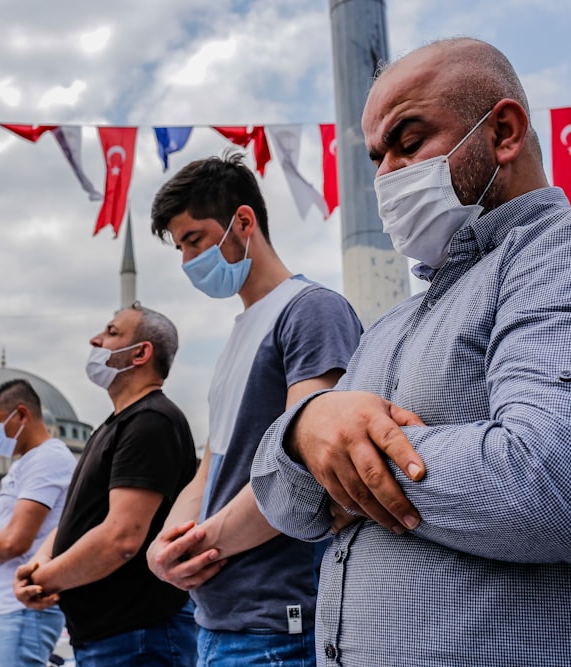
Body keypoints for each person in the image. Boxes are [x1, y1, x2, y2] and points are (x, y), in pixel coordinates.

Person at [250, 37, 571, 666]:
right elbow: (280, 495)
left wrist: (345, 452)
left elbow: (554, 485)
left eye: (409, 143)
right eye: (376, 157)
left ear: (504, 133)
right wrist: (309, 427)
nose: (384, 178)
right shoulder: (393, 324)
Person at [145, 153, 363, 665]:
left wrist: (201, 547)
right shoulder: (240, 334)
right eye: (180, 248)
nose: (187, 262)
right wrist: (163, 548)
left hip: (279, 626)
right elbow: (208, 471)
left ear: (243, 222)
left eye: (194, 240)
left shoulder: (309, 310)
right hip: (218, 620)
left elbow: (308, 466)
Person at [14, 303, 198, 666]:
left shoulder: (150, 422)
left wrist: (45, 580)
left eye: (112, 333)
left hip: (138, 635)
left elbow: (121, 538)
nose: (95, 339)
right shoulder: (117, 425)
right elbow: (78, 518)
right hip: (110, 636)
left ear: (141, 352)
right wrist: (38, 567)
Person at [0, 379, 75, 667]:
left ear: (21, 415)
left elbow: (14, 540)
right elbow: (3, 531)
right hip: (1, 608)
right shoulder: (26, 462)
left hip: (20, 608)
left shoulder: (47, 458)